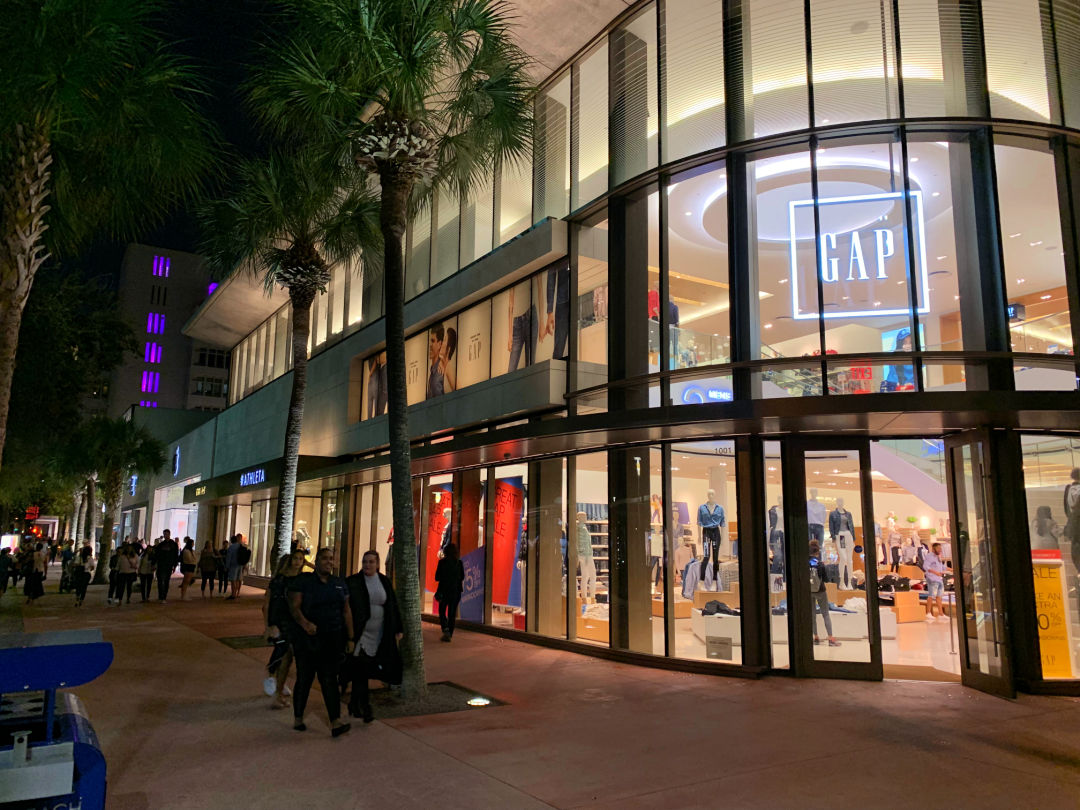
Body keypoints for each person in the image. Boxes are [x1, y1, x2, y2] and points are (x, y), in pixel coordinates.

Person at [288, 547, 353, 736]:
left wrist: (350, 637)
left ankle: (335, 722)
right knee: (305, 678)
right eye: (324, 558)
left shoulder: (339, 583)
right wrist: (305, 624)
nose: (328, 562)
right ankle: (298, 717)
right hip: (308, 640)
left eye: (331, 559)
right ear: (316, 562)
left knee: (329, 679)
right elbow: (294, 607)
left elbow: (347, 611)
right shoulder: (304, 581)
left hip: (332, 639)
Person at [344, 550, 403, 723]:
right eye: (365, 562)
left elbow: (392, 604)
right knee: (361, 668)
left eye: (371, 562)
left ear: (377, 564)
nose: (367, 565)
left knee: (365, 669)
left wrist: (398, 628)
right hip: (360, 633)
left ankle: (355, 704)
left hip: (379, 634)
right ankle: (365, 706)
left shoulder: (383, 581)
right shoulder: (354, 582)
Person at [263, 551, 304, 709]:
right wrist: (268, 625)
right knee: (283, 652)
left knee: (288, 655)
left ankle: (278, 685)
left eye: (301, 559)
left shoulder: (301, 580)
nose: (298, 562)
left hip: (294, 622)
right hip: (281, 621)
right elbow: (268, 603)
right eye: (295, 558)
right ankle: (273, 678)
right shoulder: (280, 580)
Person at [809, 540, 840, 647]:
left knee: (812, 615)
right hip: (821, 590)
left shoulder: (805, 563)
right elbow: (826, 579)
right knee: (825, 614)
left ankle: (815, 637)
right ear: (818, 552)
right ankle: (831, 638)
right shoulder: (820, 564)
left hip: (809, 591)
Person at [435, 543, 465, 642]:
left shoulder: (442, 563)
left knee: (442, 611)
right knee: (452, 613)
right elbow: (462, 577)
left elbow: (437, 577)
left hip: (444, 591)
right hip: (456, 591)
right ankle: (450, 633)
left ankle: (445, 629)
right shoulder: (459, 563)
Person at [923, 542, 949, 621]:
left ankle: (941, 614)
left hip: (939, 579)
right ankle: (928, 613)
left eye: (940, 548)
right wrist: (935, 572)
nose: (940, 550)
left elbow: (942, 567)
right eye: (938, 548)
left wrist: (952, 570)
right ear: (934, 548)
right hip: (932, 579)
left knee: (939, 596)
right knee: (931, 596)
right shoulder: (929, 556)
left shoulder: (938, 557)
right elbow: (925, 566)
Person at [155, 531, 180, 603]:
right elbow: (157, 554)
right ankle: (160, 596)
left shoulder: (173, 545)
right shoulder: (161, 545)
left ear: (169, 534)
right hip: (161, 565)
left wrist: (175, 565)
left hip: (168, 565)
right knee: (160, 580)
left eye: (166, 534)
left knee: (166, 581)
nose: (165, 535)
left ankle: (164, 597)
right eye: (164, 534)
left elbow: (175, 555)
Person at [225, 534, 249, 599]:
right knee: (238, 580)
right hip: (240, 564)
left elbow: (229, 557)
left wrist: (227, 566)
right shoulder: (240, 546)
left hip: (233, 565)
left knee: (233, 580)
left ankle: (233, 594)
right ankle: (236, 593)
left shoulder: (231, 547)